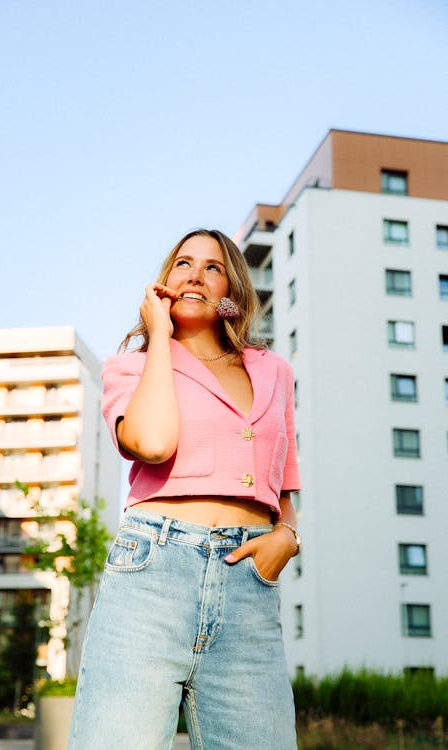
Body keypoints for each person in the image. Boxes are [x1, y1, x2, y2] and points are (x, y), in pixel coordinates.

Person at [68, 229, 301, 750]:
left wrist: (286, 538)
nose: (196, 274)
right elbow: (151, 442)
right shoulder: (130, 367)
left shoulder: (274, 371)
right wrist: (159, 336)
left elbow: (284, 480)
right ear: (165, 284)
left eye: (213, 267)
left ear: (232, 292)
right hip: (152, 573)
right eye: (183, 264)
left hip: (249, 583)